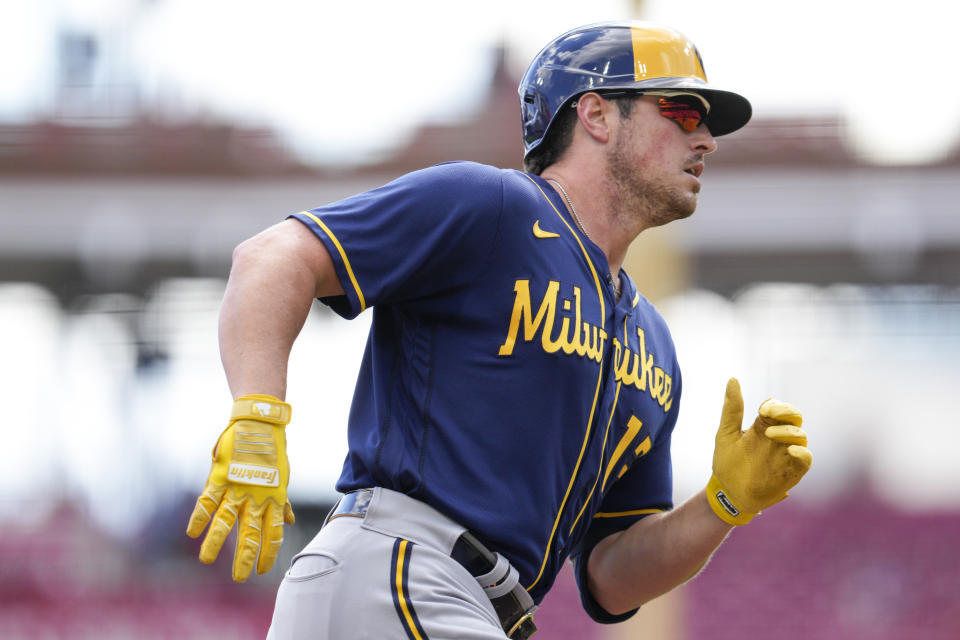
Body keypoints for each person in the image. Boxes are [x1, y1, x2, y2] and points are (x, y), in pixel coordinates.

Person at [186, 21, 812, 639]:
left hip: (467, 604)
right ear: (595, 115)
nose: (706, 138)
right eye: (680, 111)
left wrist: (722, 505)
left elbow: (610, 575)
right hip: (400, 572)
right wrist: (258, 418)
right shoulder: (492, 207)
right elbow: (272, 258)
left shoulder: (654, 343)